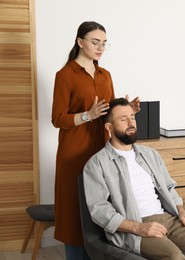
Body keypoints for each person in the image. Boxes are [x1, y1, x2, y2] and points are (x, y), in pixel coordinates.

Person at [83, 98, 185, 260]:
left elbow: (168, 187)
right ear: (109, 127)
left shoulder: (150, 154)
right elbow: (99, 210)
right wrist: (139, 227)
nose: (131, 122)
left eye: (132, 117)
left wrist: (181, 211)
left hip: (168, 217)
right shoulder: (96, 164)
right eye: (123, 119)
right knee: (174, 257)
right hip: (134, 226)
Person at [51, 21, 140, 259]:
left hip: (102, 152)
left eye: (103, 43)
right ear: (80, 42)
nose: (100, 47)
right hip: (74, 153)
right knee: (74, 212)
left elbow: (109, 113)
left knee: (103, 205)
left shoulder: (105, 75)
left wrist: (126, 110)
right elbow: (57, 118)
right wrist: (87, 115)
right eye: (95, 42)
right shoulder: (65, 75)